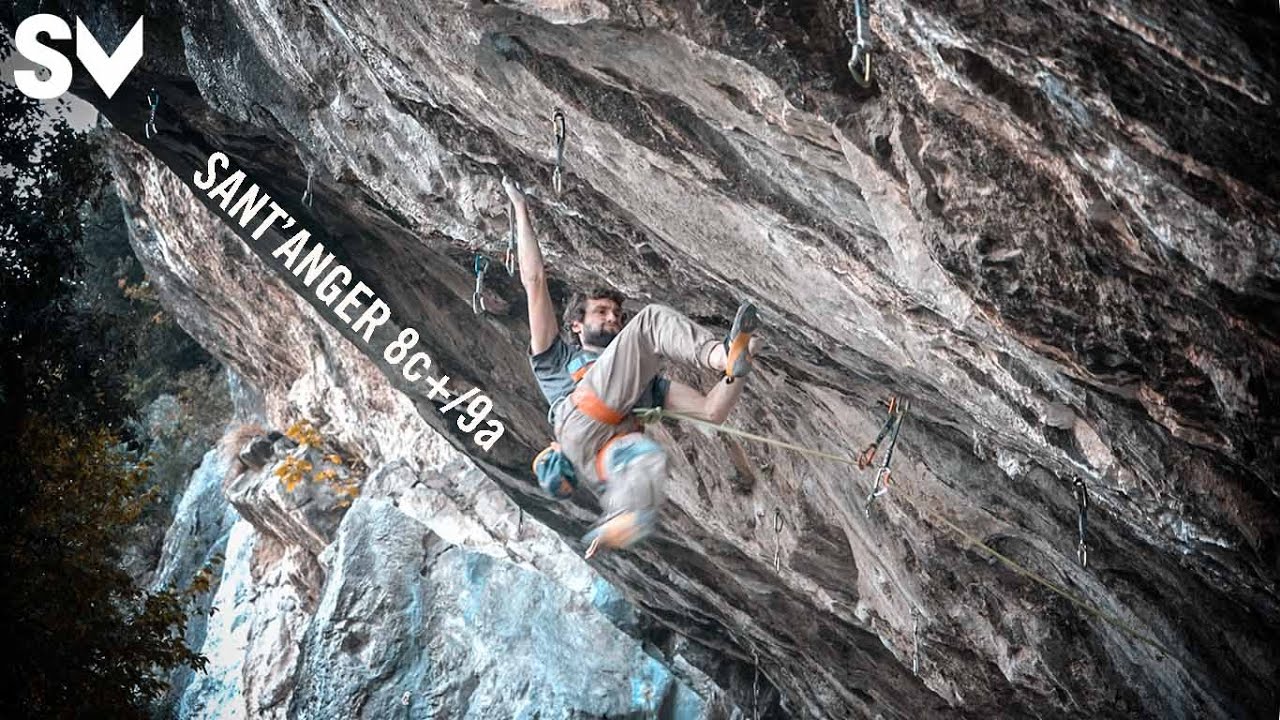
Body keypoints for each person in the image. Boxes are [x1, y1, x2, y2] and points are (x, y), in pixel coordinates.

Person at [504, 176, 763, 558]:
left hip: (598, 456)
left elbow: (712, 411)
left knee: (646, 458)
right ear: (576, 323)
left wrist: (738, 369)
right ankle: (716, 352)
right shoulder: (554, 360)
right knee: (652, 320)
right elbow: (535, 281)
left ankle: (623, 517)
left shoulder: (642, 385)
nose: (613, 319)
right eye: (602, 312)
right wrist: (520, 209)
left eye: (616, 314)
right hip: (579, 415)